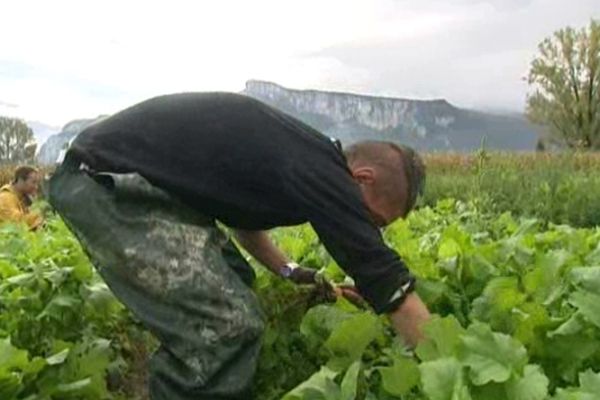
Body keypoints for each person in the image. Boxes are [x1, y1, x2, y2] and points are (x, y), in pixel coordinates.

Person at [48, 92, 431, 400]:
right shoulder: (324, 171)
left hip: (139, 187)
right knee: (229, 324)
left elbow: (245, 225)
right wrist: (448, 366)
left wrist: (294, 272)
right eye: (375, 220)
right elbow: (386, 281)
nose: (368, 229)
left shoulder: (305, 159)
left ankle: (177, 371)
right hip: (105, 183)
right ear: (362, 179)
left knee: (238, 281)